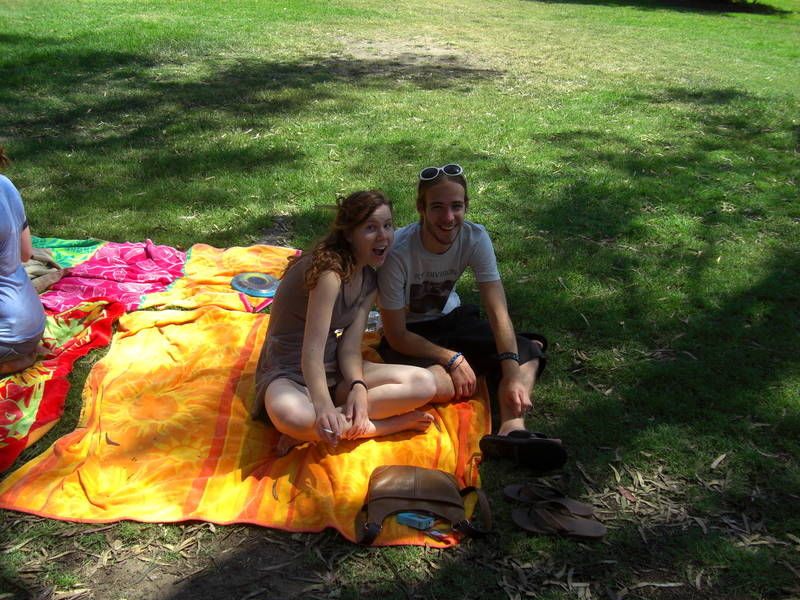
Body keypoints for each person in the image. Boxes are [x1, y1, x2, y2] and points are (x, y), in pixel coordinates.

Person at [377, 164, 566, 471]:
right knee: (438, 383)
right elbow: (396, 335)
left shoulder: (475, 237)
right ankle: (478, 372)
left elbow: (497, 310)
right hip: (411, 336)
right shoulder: (397, 251)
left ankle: (512, 429)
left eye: (456, 206)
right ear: (420, 208)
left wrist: (511, 373)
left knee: (526, 352)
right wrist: (451, 359)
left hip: (453, 319)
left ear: (466, 206)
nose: (448, 217)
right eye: (437, 207)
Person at [252, 189, 438, 456]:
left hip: (332, 370)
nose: (383, 236)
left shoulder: (369, 280)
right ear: (349, 234)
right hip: (288, 372)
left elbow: (349, 348)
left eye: (387, 226)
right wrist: (324, 407)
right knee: (295, 418)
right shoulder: (329, 274)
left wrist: (357, 387)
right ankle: (380, 426)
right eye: (370, 228)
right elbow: (311, 353)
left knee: (424, 382)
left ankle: (321, 429)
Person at [0, 147, 47, 376]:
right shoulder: (5, 184)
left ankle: (15, 362)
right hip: (33, 324)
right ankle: (25, 355)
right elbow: (25, 253)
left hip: (8, 334)